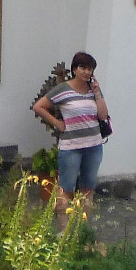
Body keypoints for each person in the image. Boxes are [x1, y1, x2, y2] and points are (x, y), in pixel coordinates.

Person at [32, 51, 109, 225]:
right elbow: (39, 107)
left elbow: (103, 115)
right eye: (82, 68)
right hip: (71, 147)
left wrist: (97, 93)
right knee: (66, 187)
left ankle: (82, 230)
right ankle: (63, 230)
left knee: (88, 188)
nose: (86, 72)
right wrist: (57, 124)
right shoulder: (63, 89)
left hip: (94, 145)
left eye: (90, 69)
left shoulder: (93, 90)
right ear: (74, 69)